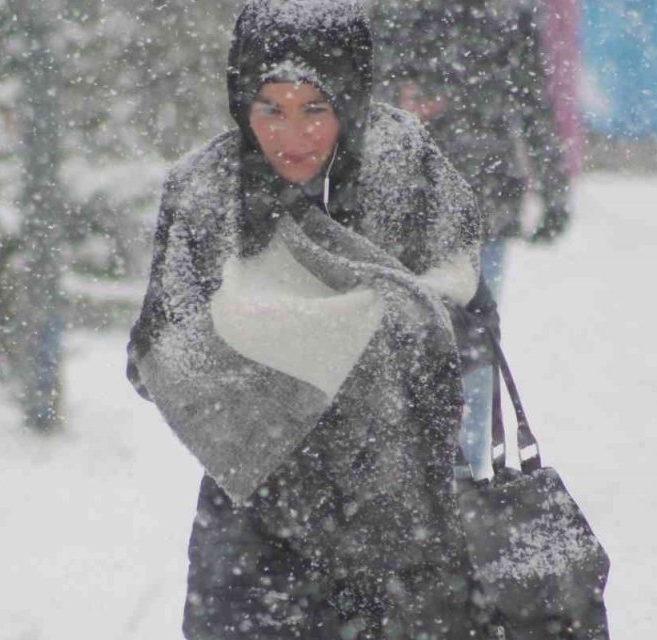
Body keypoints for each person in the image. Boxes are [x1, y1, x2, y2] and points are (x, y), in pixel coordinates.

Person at [126, 1, 496, 637]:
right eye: (270, 108)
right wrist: (272, 371)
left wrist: (349, 335)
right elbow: (157, 355)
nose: (290, 137)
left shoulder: (403, 167)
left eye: (315, 109)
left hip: (398, 518)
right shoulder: (207, 190)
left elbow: (461, 313)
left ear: (350, 98)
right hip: (252, 526)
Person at [373, 0, 573, 481]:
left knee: (430, 340)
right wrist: (552, 189)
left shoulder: (401, 14)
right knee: (471, 341)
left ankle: (442, 473)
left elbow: (529, 100)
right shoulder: (505, 13)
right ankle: (460, 475)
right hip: (466, 196)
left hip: (427, 200)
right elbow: (532, 101)